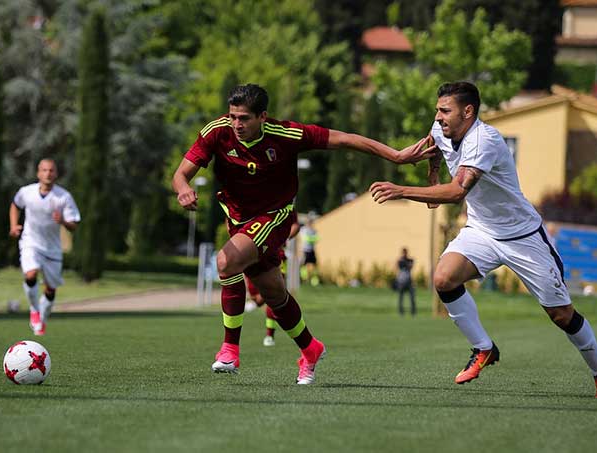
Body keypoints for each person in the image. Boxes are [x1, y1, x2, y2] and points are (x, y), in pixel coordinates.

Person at [172, 83, 435, 384]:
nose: (236, 124)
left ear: (263, 117)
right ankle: (310, 349)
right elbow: (180, 175)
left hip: (275, 216)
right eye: (232, 117)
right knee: (274, 293)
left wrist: (397, 156)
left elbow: (345, 139)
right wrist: (183, 190)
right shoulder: (216, 132)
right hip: (238, 221)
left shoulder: (286, 135)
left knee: (225, 262)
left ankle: (230, 348)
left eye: (244, 118)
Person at [370, 81, 597, 397]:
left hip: (522, 236)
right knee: (444, 278)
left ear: (468, 112)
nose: (438, 117)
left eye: (445, 111)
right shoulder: (442, 129)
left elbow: (457, 192)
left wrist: (401, 190)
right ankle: (483, 348)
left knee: (561, 315)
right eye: (437, 110)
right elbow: (435, 152)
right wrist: (432, 174)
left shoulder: (485, 140)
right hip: (481, 230)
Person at [9, 158, 80, 336]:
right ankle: (34, 310)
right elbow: (15, 205)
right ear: (38, 173)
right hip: (30, 242)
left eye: (51, 170)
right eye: (44, 170)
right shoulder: (27, 192)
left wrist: (62, 221)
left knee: (50, 289)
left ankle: (43, 319)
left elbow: (74, 224)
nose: (48, 174)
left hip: (53, 249)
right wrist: (13, 225)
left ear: (56, 174)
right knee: (31, 274)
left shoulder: (63, 197)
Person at [245, 216, 301, 347]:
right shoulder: (247, 200)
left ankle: (270, 335)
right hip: (253, 252)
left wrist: (283, 237)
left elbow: (295, 225)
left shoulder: (280, 199)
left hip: (275, 253)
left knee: (273, 294)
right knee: (257, 300)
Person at [395, 247, 416, 316]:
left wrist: (406, 263)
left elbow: (411, 265)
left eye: (405, 252)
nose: (404, 254)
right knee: (401, 298)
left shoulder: (409, 260)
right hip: (401, 282)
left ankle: (413, 312)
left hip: (409, 282)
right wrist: (406, 263)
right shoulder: (400, 260)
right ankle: (401, 312)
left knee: (412, 298)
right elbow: (400, 265)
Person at [300, 216, 320, 286]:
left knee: (315, 265)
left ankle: (314, 281)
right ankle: (304, 279)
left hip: (312, 250)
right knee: (304, 265)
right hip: (305, 250)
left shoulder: (313, 230)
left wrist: (311, 239)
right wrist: (312, 239)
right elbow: (306, 239)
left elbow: (317, 238)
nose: (310, 223)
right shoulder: (303, 230)